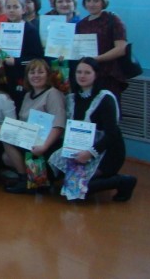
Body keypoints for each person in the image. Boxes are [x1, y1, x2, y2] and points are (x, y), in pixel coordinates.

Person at [48, 57, 137, 201]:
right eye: (79, 72)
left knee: (81, 189)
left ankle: (123, 181)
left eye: (87, 72)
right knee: (52, 177)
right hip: (79, 147)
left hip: (107, 151)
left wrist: (89, 153)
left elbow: (112, 134)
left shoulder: (105, 98)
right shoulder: (72, 98)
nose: (82, 76)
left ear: (96, 74)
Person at [2, 59, 66, 194]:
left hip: (47, 144)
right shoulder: (27, 95)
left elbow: (59, 125)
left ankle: (25, 180)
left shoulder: (53, 94)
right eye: (32, 72)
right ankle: (30, 178)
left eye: (40, 72)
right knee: (6, 154)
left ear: (48, 75)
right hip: (30, 140)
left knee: (6, 140)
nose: (36, 75)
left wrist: (44, 146)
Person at [75, 0, 129, 99]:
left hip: (108, 74)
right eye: (88, 0)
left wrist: (97, 59)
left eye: (96, 0)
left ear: (103, 2)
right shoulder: (81, 24)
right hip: (88, 75)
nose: (91, 4)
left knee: (108, 105)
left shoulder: (112, 19)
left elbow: (121, 49)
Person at [0, 0, 44, 107]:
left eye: (15, 7)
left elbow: (37, 57)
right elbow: (5, 54)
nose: (11, 10)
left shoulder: (30, 30)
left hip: (23, 77)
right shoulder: (4, 29)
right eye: (8, 7)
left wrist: (16, 61)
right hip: (7, 77)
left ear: (23, 10)